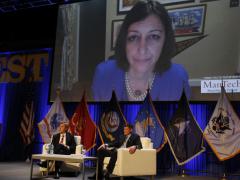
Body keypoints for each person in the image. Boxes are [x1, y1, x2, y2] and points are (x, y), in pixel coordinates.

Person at [91, 0, 191, 101]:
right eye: (133, 37)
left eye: (154, 36)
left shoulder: (178, 79)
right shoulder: (103, 75)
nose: (142, 49)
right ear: (124, 41)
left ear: (165, 41)